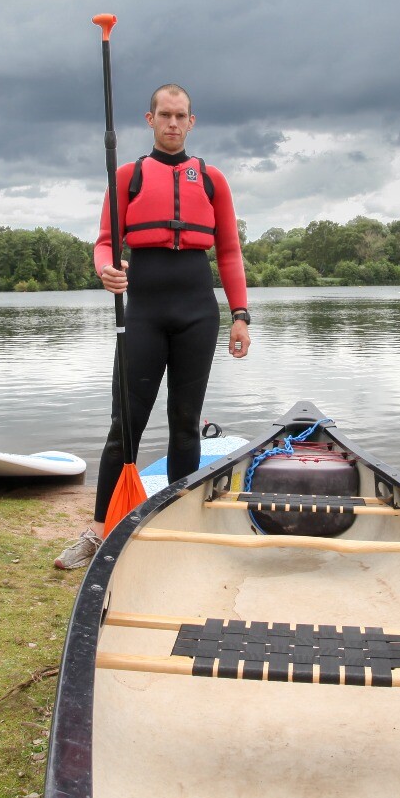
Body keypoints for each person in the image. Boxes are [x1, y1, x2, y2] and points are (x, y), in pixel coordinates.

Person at [54, 84, 250, 569]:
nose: (173, 123)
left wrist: (241, 315)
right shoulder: (128, 176)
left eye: (181, 115)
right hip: (141, 312)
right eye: (165, 114)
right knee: (125, 426)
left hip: (197, 313)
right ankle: (100, 531)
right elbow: (104, 242)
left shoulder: (211, 179)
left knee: (185, 426)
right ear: (150, 119)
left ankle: (177, 526)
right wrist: (106, 269)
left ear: (192, 121)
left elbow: (228, 252)